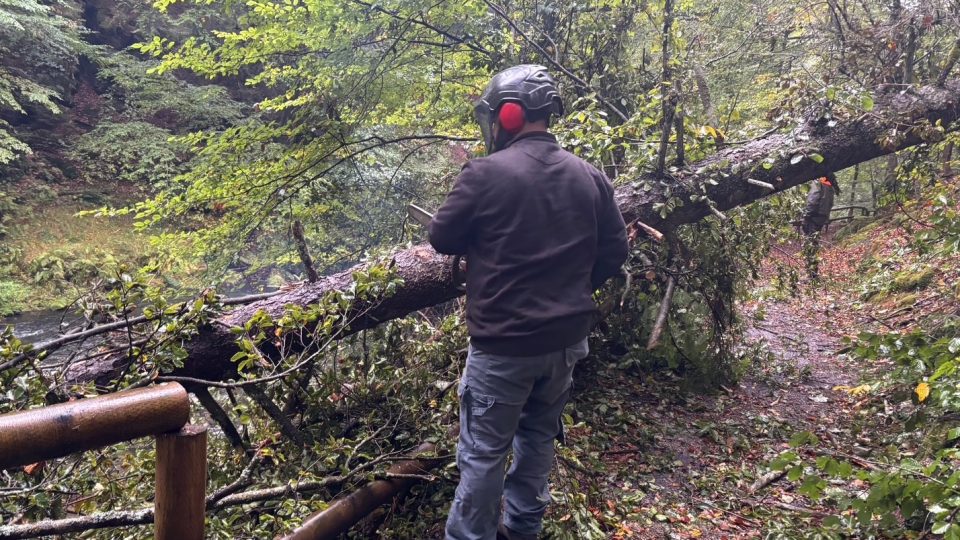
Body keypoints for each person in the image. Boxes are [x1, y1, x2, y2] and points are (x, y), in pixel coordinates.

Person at [428, 65, 629, 540]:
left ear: (510, 115)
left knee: (483, 453)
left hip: (503, 347)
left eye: (495, 116)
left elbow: (442, 237)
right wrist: (574, 289)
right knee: (538, 438)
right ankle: (522, 530)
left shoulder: (484, 173)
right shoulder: (589, 175)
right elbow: (615, 250)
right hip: (564, 344)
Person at [800, 172, 840, 279]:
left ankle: (812, 274)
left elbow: (813, 200)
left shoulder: (818, 182)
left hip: (813, 217)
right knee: (814, 243)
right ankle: (812, 272)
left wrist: (806, 216)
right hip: (821, 218)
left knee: (810, 245)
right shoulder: (829, 185)